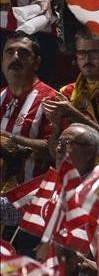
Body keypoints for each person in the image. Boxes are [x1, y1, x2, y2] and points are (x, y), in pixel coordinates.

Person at [45, 29, 99, 164]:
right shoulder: (66, 92)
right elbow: (55, 152)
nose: (87, 59)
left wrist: (74, 114)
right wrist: (56, 127)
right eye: (82, 53)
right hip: (74, 174)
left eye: (94, 53)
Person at [0, 33, 56, 187]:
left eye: (23, 53)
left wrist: (11, 140)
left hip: (31, 199)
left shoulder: (52, 100)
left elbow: (56, 151)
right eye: (9, 52)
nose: (15, 57)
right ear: (2, 61)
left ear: (37, 62)